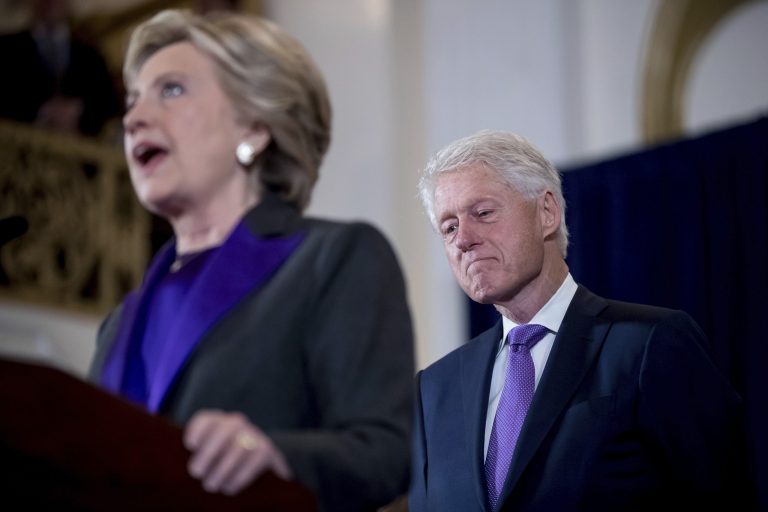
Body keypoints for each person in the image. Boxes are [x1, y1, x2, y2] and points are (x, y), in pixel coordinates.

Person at [87, 9, 414, 511]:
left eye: (171, 90)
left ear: (256, 128)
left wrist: (273, 455)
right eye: (131, 102)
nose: (133, 119)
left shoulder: (334, 259)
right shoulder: (119, 323)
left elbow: (388, 451)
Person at [409, 130, 747, 511]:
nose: (463, 239)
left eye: (483, 213)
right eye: (449, 227)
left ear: (547, 212)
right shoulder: (434, 390)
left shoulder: (650, 344)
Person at [0, 0, 120, 136]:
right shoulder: (6, 49)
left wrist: (79, 111)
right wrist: (40, 112)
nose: (51, 2)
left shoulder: (90, 54)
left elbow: (109, 105)